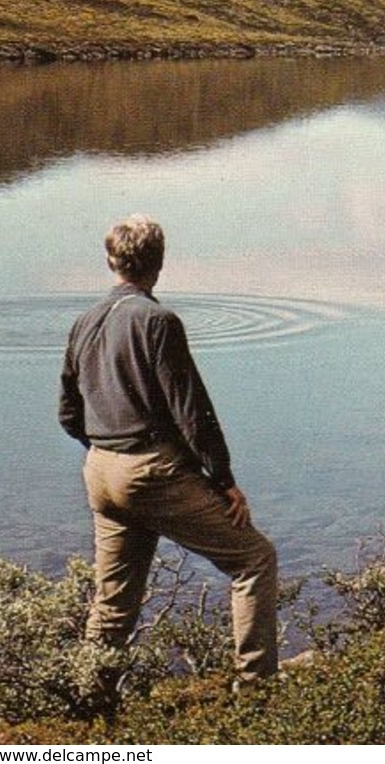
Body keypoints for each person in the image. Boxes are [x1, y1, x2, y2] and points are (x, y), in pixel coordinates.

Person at [59, 215, 279, 685]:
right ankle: (257, 685)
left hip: (99, 469)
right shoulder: (158, 321)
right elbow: (191, 411)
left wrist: (107, 452)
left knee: (113, 603)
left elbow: (68, 414)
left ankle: (88, 698)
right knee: (254, 559)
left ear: (111, 261)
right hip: (148, 471)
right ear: (158, 263)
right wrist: (224, 482)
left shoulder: (84, 322)